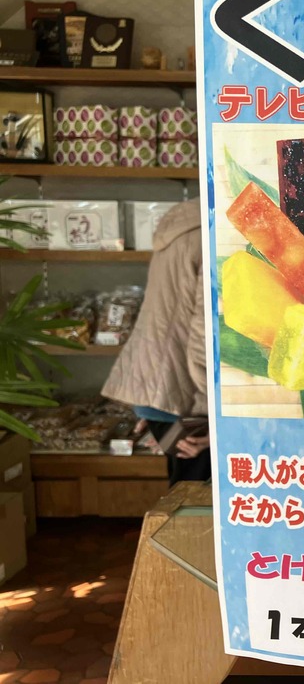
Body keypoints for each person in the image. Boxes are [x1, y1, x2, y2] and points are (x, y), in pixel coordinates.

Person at [102, 199, 210, 483]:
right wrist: (219, 414)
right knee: (197, 495)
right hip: (185, 392)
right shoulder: (211, 235)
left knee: (186, 490)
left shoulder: (184, 223)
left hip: (161, 384)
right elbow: (204, 337)